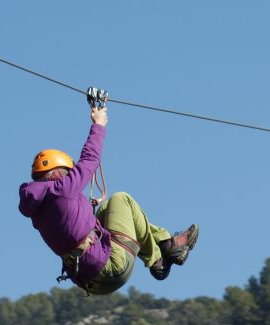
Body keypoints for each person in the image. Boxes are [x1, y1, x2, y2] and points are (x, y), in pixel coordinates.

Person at [19, 104, 197, 295]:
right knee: (122, 200)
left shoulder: (38, 208)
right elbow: (90, 159)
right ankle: (159, 257)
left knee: (107, 209)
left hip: (90, 279)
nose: (71, 177)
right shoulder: (62, 189)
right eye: (67, 173)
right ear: (55, 174)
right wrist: (99, 124)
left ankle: (166, 245)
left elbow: (72, 226)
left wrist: (86, 208)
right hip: (109, 268)